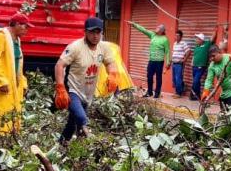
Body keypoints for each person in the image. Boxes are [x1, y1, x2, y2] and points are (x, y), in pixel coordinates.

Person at [54, 17, 119, 145]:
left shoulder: (104, 47)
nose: (95, 36)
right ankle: (89, 137)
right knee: (81, 118)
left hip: (88, 92)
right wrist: (60, 87)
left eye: (98, 32)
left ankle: (61, 145)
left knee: (72, 123)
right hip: (72, 90)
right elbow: (59, 65)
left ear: (101, 33)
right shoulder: (75, 47)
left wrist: (113, 74)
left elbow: (111, 63)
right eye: (92, 32)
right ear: (85, 32)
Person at [128, 20, 170, 98]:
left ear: (162, 30)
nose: (156, 28)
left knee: (158, 77)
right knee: (149, 76)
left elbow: (167, 51)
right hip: (151, 61)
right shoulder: (152, 35)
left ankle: (157, 93)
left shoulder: (165, 39)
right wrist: (134, 24)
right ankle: (149, 92)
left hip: (159, 61)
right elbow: (143, 30)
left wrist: (168, 62)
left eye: (158, 27)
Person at [186, 32, 215, 100]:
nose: (196, 40)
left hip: (201, 66)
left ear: (201, 40)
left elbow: (212, 38)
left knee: (196, 81)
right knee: (196, 81)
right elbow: (194, 55)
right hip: (194, 66)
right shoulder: (196, 46)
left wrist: (215, 30)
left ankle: (192, 94)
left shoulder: (206, 45)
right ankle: (197, 96)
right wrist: (192, 62)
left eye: (197, 39)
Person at [171, 30, 190, 97]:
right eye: (176, 35)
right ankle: (177, 92)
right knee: (174, 78)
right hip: (174, 63)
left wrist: (184, 60)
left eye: (178, 36)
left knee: (178, 78)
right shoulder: (174, 43)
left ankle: (179, 93)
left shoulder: (183, 43)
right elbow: (173, 53)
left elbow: (188, 51)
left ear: (181, 37)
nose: (176, 37)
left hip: (179, 64)